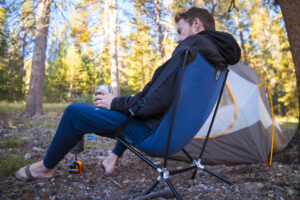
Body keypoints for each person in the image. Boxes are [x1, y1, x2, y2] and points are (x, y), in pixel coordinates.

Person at [15, 7, 240, 181]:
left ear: (197, 25)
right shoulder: (216, 62)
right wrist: (125, 104)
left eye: (180, 31)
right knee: (131, 110)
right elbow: (158, 101)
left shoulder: (190, 49)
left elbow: (150, 103)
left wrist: (115, 102)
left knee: (75, 112)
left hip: (155, 137)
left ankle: (45, 168)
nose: (178, 38)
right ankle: (112, 159)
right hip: (176, 138)